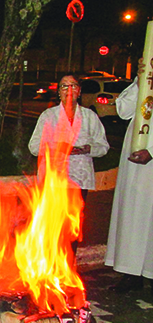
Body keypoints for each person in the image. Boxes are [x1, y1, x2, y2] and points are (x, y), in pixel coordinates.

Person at [28, 74, 110, 257]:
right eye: (64, 86)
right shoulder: (49, 116)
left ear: (79, 91)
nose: (69, 90)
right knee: (53, 226)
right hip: (54, 180)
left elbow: (103, 147)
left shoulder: (89, 117)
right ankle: (49, 266)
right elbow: (34, 147)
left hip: (80, 180)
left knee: (73, 227)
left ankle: (68, 267)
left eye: (73, 85)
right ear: (58, 92)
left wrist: (88, 148)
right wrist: (59, 148)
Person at [105, 58, 152, 294]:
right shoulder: (144, 82)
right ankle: (132, 272)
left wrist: (152, 152)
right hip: (134, 163)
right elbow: (123, 110)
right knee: (133, 215)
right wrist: (140, 79)